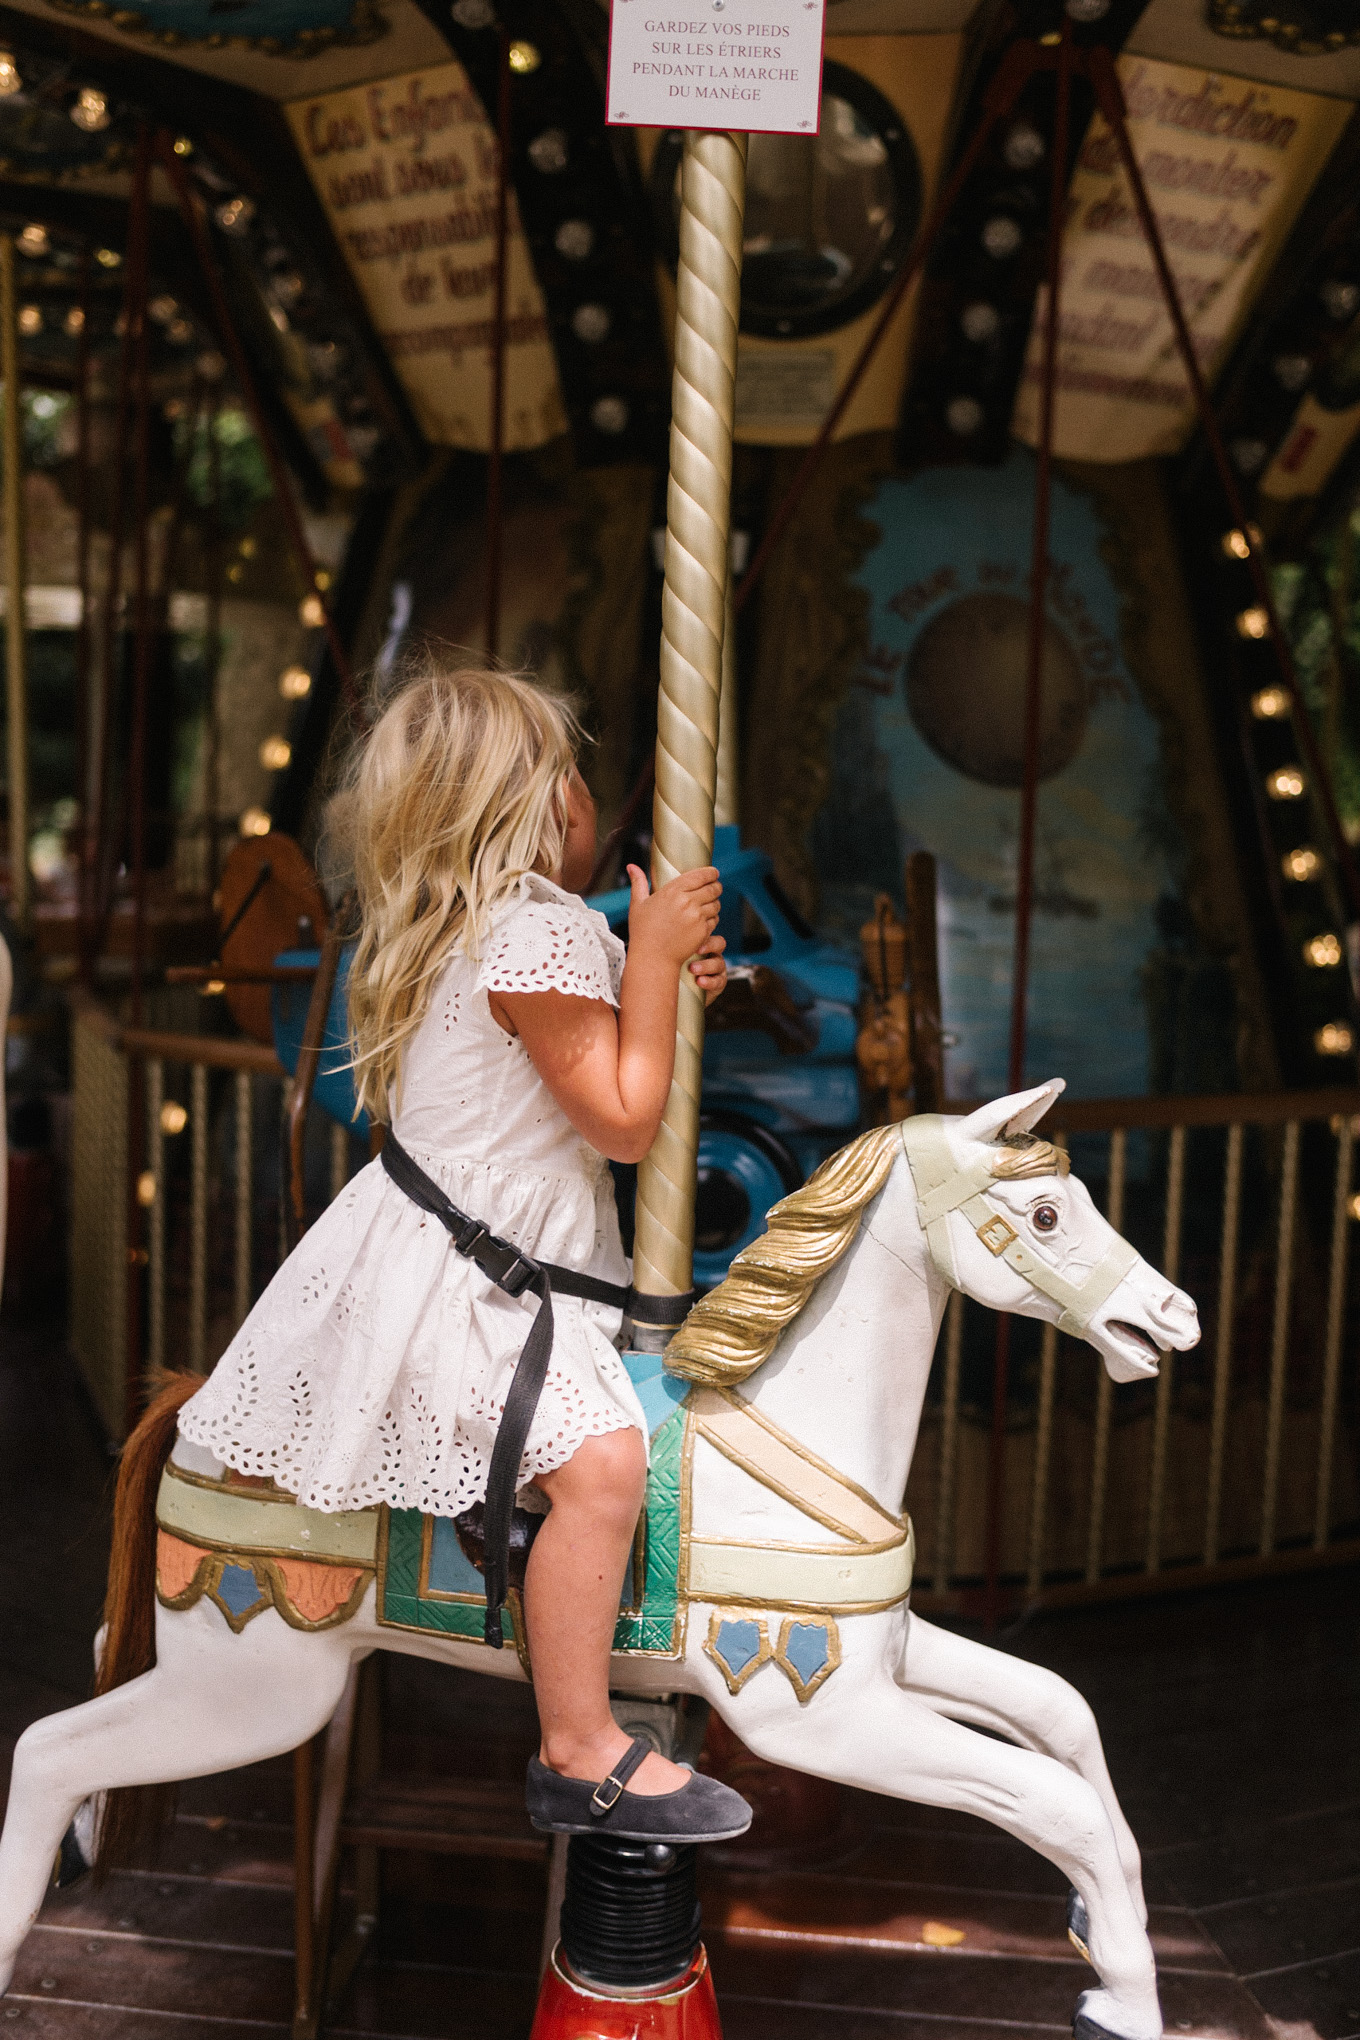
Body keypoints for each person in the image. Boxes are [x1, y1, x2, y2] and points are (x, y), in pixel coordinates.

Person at [178, 665, 752, 1844]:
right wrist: (643, 965)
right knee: (601, 1466)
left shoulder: (484, 927)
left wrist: (655, 974)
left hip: (453, 1266)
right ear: (534, 806)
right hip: (469, 1287)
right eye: (576, 776)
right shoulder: (538, 934)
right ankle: (577, 1745)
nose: (594, 801)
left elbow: (593, 1035)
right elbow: (627, 1123)